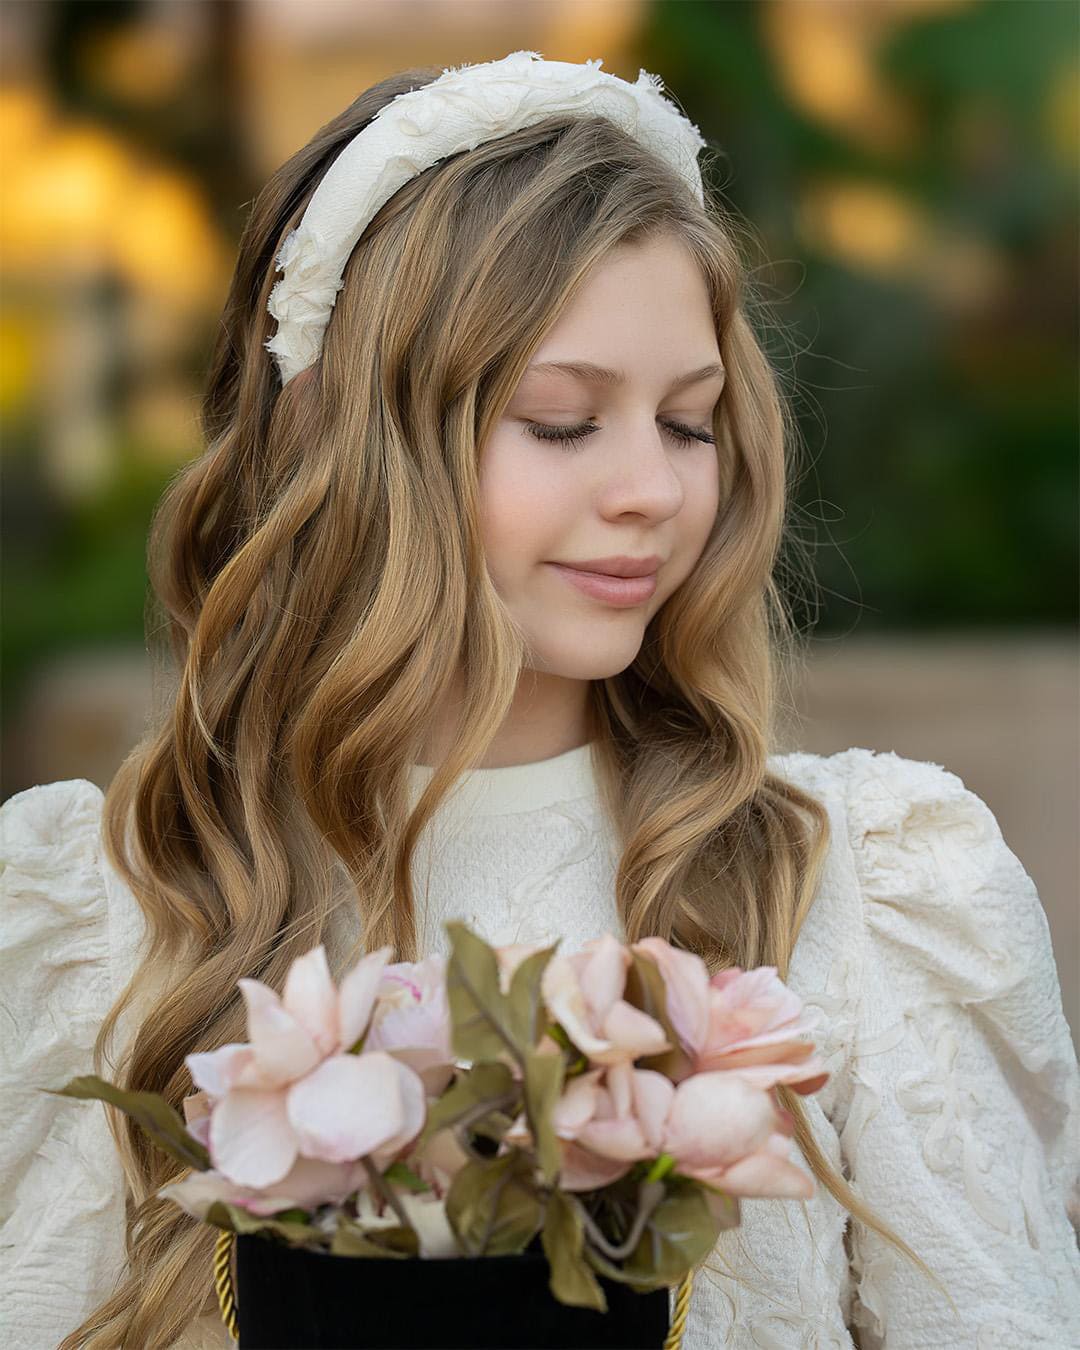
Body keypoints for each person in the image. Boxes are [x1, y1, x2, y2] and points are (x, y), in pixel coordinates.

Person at [1, 50, 1077, 1350]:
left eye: (689, 422)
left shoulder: (851, 890)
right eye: (564, 421)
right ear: (337, 440)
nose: (655, 490)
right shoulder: (109, 916)